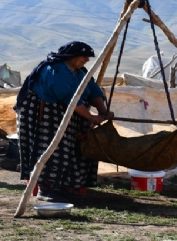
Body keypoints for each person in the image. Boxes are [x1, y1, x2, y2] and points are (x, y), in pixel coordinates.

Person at [14, 41, 112, 201]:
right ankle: (45, 189)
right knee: (51, 148)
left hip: (68, 112)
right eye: (84, 56)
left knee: (75, 148)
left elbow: (93, 90)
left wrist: (103, 111)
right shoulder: (54, 69)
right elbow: (69, 97)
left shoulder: (80, 71)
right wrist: (91, 117)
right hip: (45, 113)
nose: (87, 60)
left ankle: (67, 186)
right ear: (71, 55)